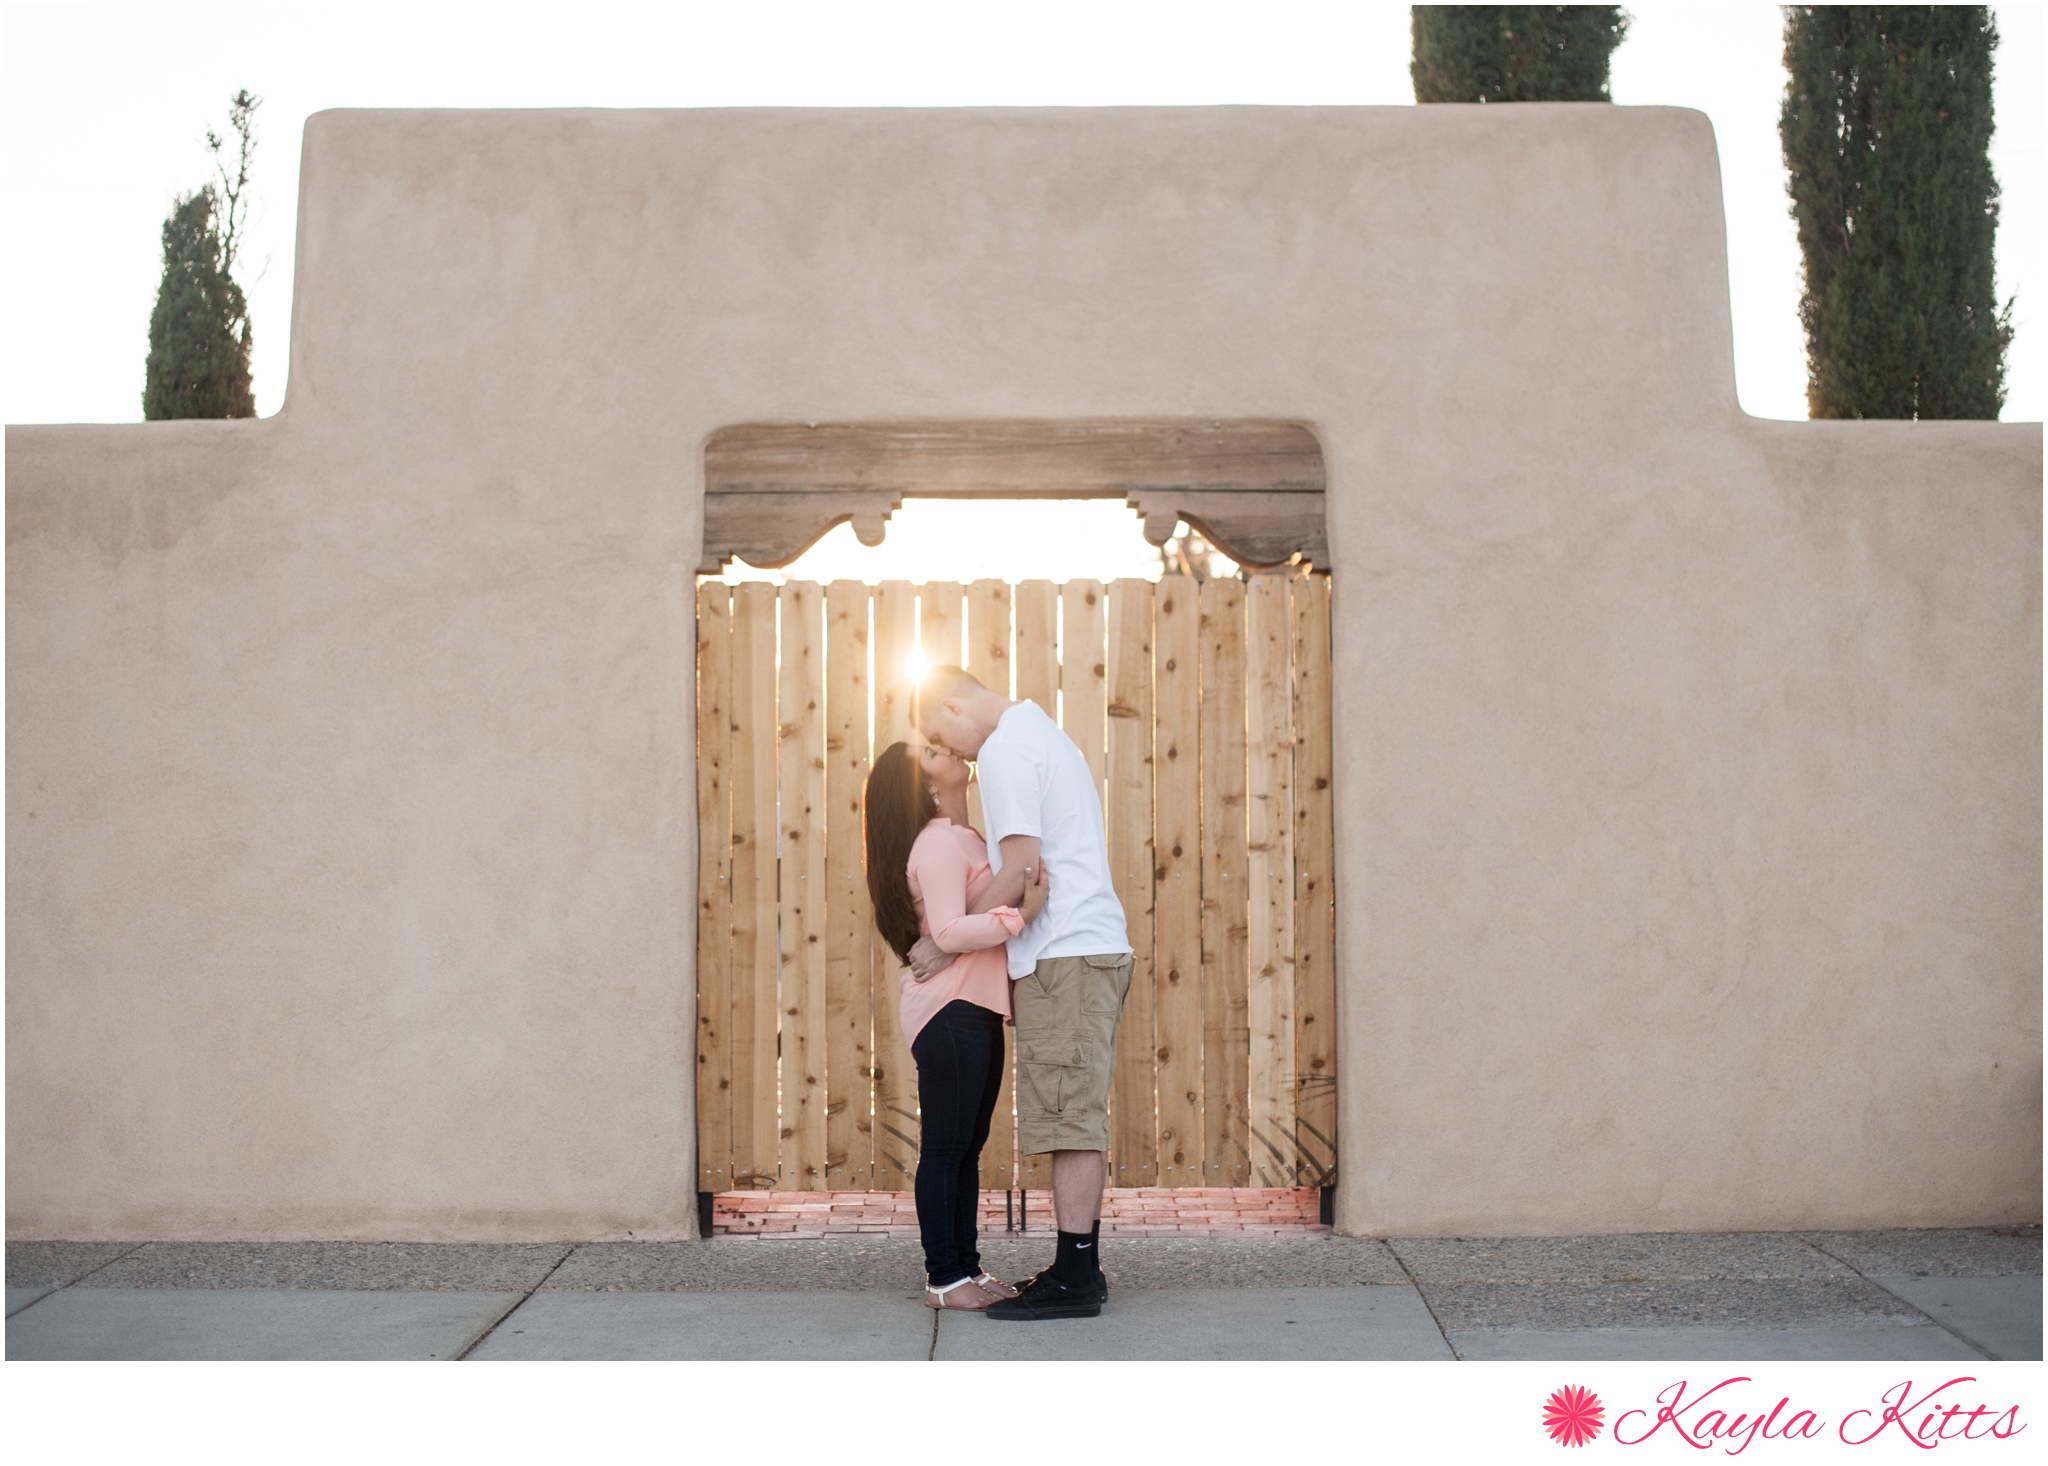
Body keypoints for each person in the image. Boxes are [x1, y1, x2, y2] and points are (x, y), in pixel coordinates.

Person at [913, 665, 1132, 1321]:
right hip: (1076, 952)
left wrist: (949, 938)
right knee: (1072, 1113)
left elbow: (1021, 867)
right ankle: (1076, 1266)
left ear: (951, 704)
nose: (954, 756)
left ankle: (1075, 1278)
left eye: (941, 737)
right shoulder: (1039, 731)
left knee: (1071, 1118)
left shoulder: (1007, 744)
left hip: (1067, 953)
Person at [862, 738, 1049, 1311]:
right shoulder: (939, 842)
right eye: (931, 752)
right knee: (946, 1148)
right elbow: (946, 933)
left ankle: (966, 1269)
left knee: (966, 1147)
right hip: (948, 1009)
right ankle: (944, 1280)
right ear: (927, 784)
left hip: (974, 1005)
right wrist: (1022, 915)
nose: (945, 748)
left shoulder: (965, 839)